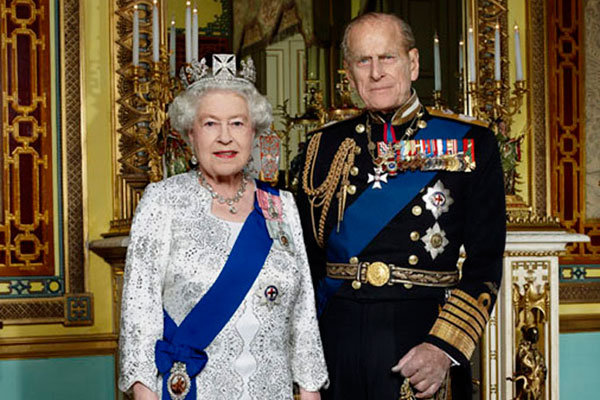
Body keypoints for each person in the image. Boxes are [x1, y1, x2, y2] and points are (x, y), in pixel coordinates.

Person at [296, 13, 506, 400]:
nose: (376, 72)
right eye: (364, 61)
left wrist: (444, 347)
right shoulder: (321, 147)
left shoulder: (470, 142)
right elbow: (305, 262)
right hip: (336, 339)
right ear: (349, 72)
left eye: (387, 58)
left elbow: (486, 262)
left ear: (413, 63)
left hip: (421, 334)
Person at [119, 54, 328, 400]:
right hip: (193, 389)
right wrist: (144, 393)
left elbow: (303, 312)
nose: (225, 138)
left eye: (237, 123)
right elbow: (139, 314)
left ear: (254, 131)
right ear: (190, 133)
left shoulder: (281, 205)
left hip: (270, 389)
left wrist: (309, 391)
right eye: (211, 124)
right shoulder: (163, 201)